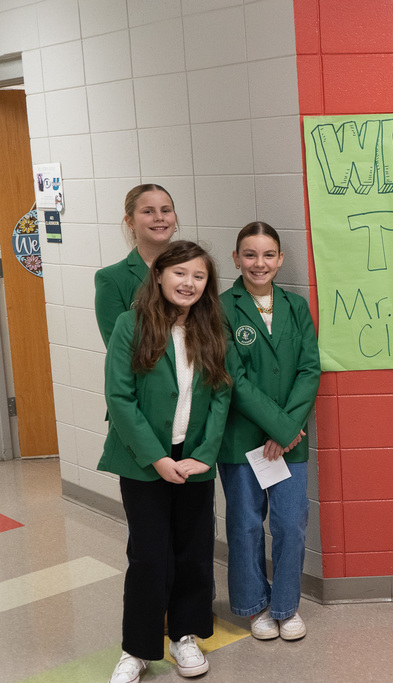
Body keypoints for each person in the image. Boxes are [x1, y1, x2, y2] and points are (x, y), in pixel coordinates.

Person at [101, 242, 232, 683]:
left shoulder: (213, 327)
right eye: (180, 274)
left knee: (194, 553)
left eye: (198, 276)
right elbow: (119, 397)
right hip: (144, 461)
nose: (188, 283)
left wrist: (205, 454)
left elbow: (221, 394)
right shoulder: (130, 324)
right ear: (159, 276)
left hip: (193, 460)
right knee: (149, 557)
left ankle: (184, 636)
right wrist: (156, 458)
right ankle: (136, 650)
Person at [219, 222, 321, 641]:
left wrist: (287, 430)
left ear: (279, 260)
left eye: (267, 255)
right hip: (242, 439)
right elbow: (233, 378)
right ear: (236, 258)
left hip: (290, 442)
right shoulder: (221, 308)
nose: (258, 263)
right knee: (244, 525)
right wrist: (278, 426)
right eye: (249, 254)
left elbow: (309, 369)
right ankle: (254, 606)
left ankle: (285, 606)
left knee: (290, 523)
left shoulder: (296, 307)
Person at [95, 184, 178, 346]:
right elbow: (118, 350)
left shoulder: (195, 269)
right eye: (148, 211)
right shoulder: (112, 278)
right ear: (130, 221)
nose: (159, 217)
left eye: (166, 210)